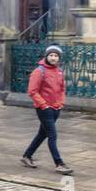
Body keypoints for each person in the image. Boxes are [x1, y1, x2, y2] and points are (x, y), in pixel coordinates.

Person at [21, 44, 73, 175]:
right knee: (52, 135)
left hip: (56, 108)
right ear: (47, 56)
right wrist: (44, 105)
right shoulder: (39, 71)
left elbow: (62, 89)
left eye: (56, 56)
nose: (53, 58)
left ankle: (27, 156)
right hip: (44, 109)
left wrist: (61, 102)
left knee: (42, 134)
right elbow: (32, 91)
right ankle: (59, 163)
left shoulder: (59, 71)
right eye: (51, 55)